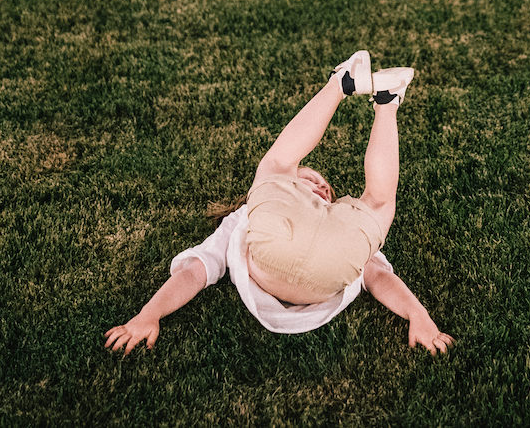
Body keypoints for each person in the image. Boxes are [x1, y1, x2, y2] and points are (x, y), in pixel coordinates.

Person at [104, 51, 454, 355]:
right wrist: (147, 314)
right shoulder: (245, 218)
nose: (320, 186)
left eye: (324, 188)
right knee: (378, 201)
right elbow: (195, 270)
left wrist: (419, 317)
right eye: (310, 179)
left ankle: (344, 84)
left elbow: (377, 276)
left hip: (326, 261)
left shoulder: (258, 215)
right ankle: (386, 105)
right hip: (310, 264)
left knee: (278, 164)